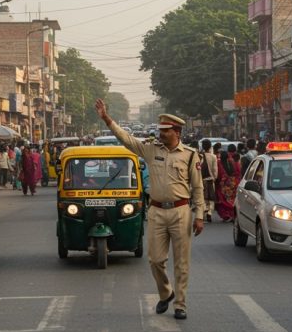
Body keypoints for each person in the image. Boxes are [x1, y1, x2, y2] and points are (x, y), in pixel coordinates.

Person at [96, 99, 204, 320]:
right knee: (155, 260)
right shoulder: (150, 149)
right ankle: (166, 292)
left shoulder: (190, 155)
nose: (161, 133)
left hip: (181, 211)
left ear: (177, 131)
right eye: (160, 130)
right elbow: (126, 139)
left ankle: (180, 304)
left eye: (165, 131)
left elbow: (198, 186)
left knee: (182, 262)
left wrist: (200, 215)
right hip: (156, 211)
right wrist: (107, 119)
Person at [215, 147, 241, 222]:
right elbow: (237, 172)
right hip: (233, 183)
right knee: (231, 200)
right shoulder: (232, 162)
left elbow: (218, 174)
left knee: (222, 200)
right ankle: (232, 214)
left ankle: (226, 215)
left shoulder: (219, 163)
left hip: (223, 184)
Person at [200, 139, 218, 222]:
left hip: (201, 180)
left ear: (202, 147)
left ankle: (204, 211)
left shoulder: (199, 156)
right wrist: (214, 178)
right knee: (211, 198)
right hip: (210, 180)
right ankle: (210, 212)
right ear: (210, 146)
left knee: (203, 198)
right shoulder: (213, 156)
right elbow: (215, 170)